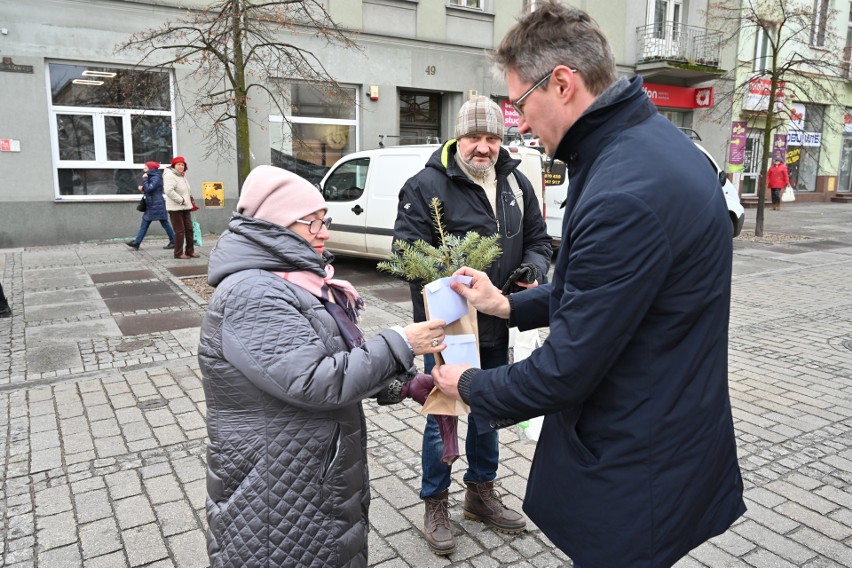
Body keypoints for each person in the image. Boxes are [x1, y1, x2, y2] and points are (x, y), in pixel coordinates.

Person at [430, 3, 746, 567]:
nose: (519, 123)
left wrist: (469, 384)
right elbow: (615, 290)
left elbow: (565, 370)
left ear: (562, 83)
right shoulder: (659, 148)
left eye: (521, 103)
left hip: (636, 457)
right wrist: (507, 304)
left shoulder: (623, 189)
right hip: (674, 430)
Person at [199, 164, 447, 568]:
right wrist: (402, 341)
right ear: (275, 225)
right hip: (276, 484)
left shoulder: (291, 278)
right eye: (311, 222)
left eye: (324, 220)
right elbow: (315, 381)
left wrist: (401, 384)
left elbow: (330, 359)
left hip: (305, 469)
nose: (324, 231)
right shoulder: (253, 293)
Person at [392, 95, 552, 555]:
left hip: (501, 319)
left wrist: (532, 271)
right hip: (449, 328)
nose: (483, 148)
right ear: (458, 138)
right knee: (443, 410)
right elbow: (406, 254)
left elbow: (539, 240)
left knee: (490, 408)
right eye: (474, 137)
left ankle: (480, 492)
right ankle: (435, 499)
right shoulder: (424, 185)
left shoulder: (516, 183)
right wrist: (450, 278)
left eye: (492, 138)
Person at [126, 161, 175, 250]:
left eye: (145, 167)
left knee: (164, 223)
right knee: (147, 223)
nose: (143, 168)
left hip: (156, 204)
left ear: (150, 168)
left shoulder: (156, 177)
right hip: (152, 204)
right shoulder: (152, 176)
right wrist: (143, 188)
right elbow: (150, 189)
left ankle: (174, 241)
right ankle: (137, 242)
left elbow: (150, 188)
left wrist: (145, 180)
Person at [163, 156, 198, 259]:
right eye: (178, 164)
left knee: (189, 229)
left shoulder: (182, 176)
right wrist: (181, 200)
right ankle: (178, 253)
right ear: (174, 165)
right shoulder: (170, 175)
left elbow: (185, 190)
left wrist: (189, 199)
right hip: (175, 208)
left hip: (185, 207)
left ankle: (189, 251)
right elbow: (169, 191)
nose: (181, 166)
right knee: (180, 231)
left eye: (182, 165)